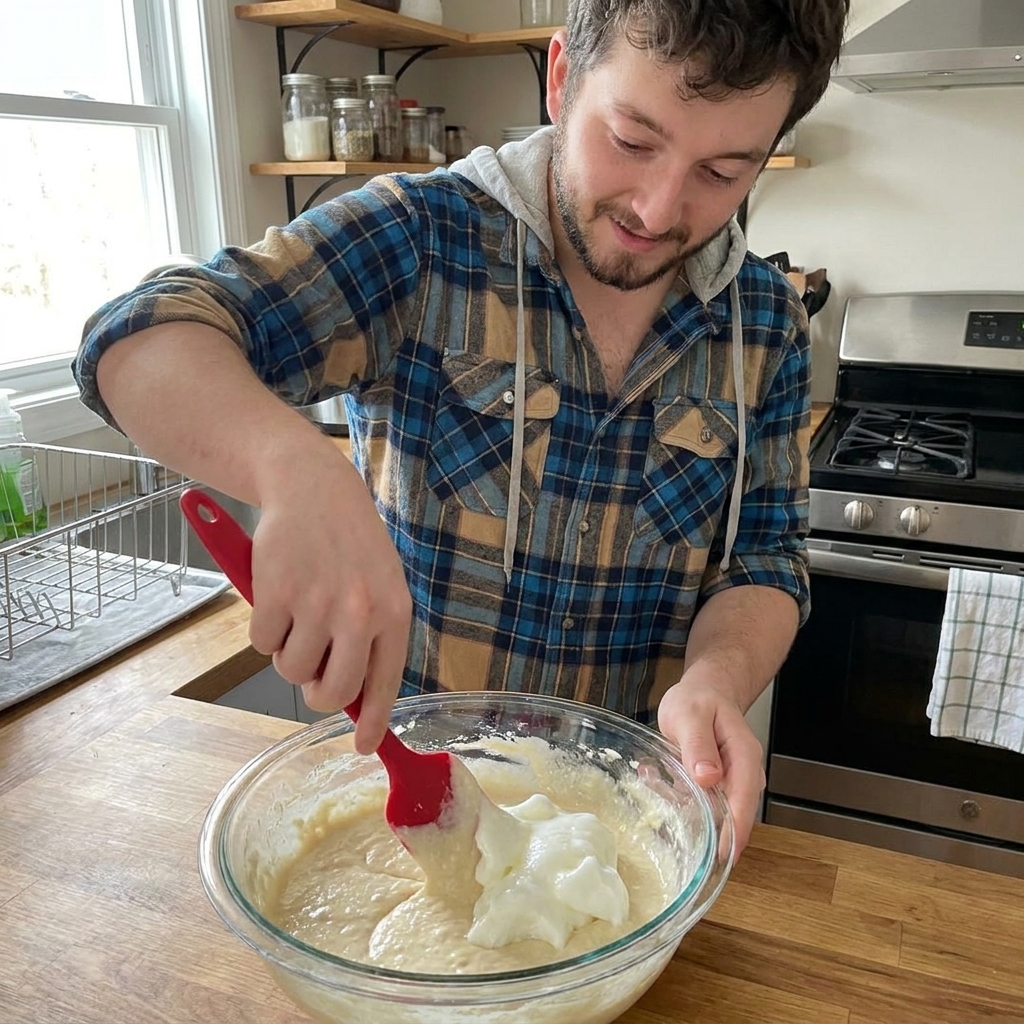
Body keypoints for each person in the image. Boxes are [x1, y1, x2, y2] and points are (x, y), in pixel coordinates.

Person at [74, 0, 849, 856]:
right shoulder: (421, 240)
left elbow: (764, 557)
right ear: (562, 79)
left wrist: (718, 678)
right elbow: (138, 335)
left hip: (632, 831)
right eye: (632, 140)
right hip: (408, 807)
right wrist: (291, 466)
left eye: (723, 171)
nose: (659, 208)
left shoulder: (765, 323)